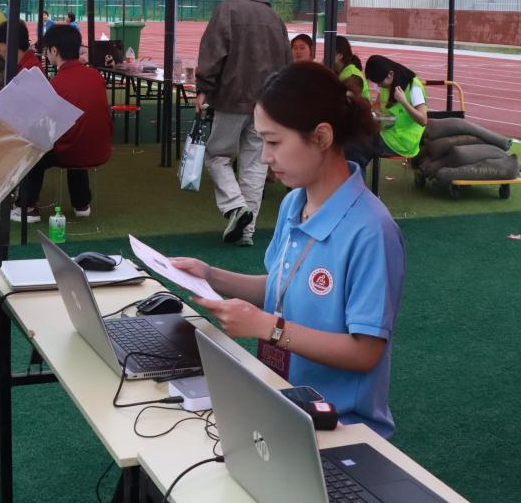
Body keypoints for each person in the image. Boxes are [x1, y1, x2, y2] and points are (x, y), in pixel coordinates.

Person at [172, 62, 405, 438]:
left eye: (274, 142)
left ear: (322, 137)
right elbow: (281, 285)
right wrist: (211, 276)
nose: (265, 156)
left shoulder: (372, 231)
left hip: (341, 427)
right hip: (281, 404)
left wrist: (269, 328)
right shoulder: (294, 202)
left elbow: (365, 353)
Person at [195, 0, 292, 247]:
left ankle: (236, 207)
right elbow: (287, 64)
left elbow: (212, 56)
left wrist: (203, 88)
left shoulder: (226, 11)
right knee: (255, 165)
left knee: (216, 156)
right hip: (268, 104)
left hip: (231, 99)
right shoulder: (274, 17)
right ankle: (246, 233)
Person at [12, 23, 112, 223]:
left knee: (35, 147)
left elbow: (42, 123)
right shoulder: (96, 77)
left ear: (54, 51)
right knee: (78, 134)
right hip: (101, 148)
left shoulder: (56, 84)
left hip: (71, 151)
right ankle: (81, 204)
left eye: (47, 50)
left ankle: (27, 207)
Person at [345, 54, 429, 168]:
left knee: (357, 148)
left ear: (390, 74)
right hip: (387, 132)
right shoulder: (387, 84)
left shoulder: (413, 86)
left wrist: (404, 102)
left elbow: (423, 120)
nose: (379, 86)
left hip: (402, 142)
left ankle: (355, 177)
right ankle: (355, 174)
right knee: (355, 138)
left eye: (379, 82)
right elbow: (377, 106)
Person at [334, 35, 370, 100]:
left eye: (328, 51)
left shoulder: (351, 75)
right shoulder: (339, 70)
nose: (325, 55)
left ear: (340, 55)